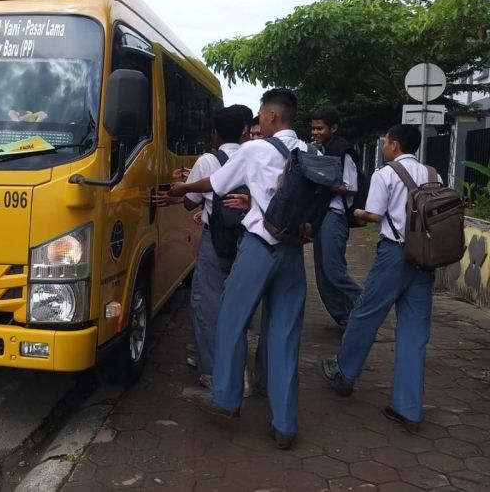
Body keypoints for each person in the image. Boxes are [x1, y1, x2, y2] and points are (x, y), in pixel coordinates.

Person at [168, 88, 309, 450]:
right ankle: (285, 423)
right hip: (293, 252)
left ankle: (226, 399)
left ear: (273, 117)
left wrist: (182, 186)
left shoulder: (255, 149)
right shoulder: (309, 152)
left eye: (262, 114)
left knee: (231, 318)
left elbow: (214, 184)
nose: (257, 121)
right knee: (284, 333)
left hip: (260, 247)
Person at [322, 124, 437, 433]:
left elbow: (374, 215)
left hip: (394, 255)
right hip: (425, 258)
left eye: (386, 141)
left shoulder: (384, 174)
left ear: (395, 145)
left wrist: (357, 214)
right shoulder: (432, 174)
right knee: (414, 333)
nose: (384, 145)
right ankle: (408, 409)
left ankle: (344, 373)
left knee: (365, 314)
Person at [181, 107, 246, 389]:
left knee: (207, 303)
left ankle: (211, 371)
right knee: (240, 304)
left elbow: (189, 201)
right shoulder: (253, 155)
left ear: (214, 133)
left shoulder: (208, 160)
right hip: (249, 239)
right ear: (244, 129)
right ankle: (239, 367)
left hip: (215, 240)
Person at [310, 107, 363, 329]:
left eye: (320, 128)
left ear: (333, 128)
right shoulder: (321, 150)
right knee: (322, 275)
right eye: (313, 128)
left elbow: (351, 187)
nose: (315, 132)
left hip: (334, 215)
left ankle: (367, 307)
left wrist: (324, 184)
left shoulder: (343, 151)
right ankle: (345, 318)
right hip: (321, 216)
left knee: (334, 272)